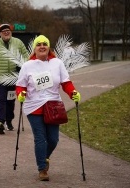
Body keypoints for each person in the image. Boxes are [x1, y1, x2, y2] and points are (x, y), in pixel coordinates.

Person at [15, 35, 81, 181]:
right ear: (35, 48)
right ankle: (42, 169)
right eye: (39, 44)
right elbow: (20, 85)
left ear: (49, 47)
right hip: (34, 106)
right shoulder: (28, 66)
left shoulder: (57, 63)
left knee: (53, 139)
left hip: (53, 105)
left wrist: (73, 93)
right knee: (40, 138)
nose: (42, 46)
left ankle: (44, 158)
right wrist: (21, 94)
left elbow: (66, 82)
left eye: (45, 44)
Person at [0, 24, 29, 134]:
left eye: (8, 30)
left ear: (11, 32)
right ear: (0, 34)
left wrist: (22, 66)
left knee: (10, 101)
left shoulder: (18, 43)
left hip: (14, 79)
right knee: (1, 99)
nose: (6, 32)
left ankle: (9, 120)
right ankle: (0, 121)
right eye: (3, 31)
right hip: (0, 79)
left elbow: (26, 56)